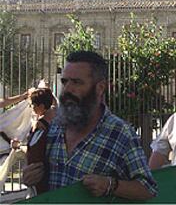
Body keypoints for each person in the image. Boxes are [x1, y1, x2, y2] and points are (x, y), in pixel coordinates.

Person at [23, 51, 157, 200]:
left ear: (100, 88)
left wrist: (110, 185)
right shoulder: (53, 128)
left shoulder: (121, 134)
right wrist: (30, 178)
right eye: (65, 81)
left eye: (77, 82)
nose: (67, 89)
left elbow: (147, 189)